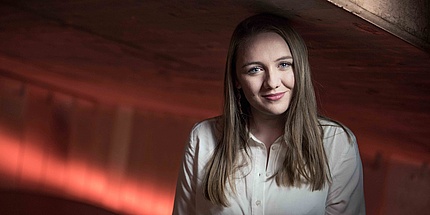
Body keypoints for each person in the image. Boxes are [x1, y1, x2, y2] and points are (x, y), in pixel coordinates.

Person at [173, 13, 365, 215]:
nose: (272, 82)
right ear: (237, 79)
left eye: (284, 64)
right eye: (255, 69)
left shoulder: (337, 143)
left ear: (299, 68)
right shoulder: (203, 137)